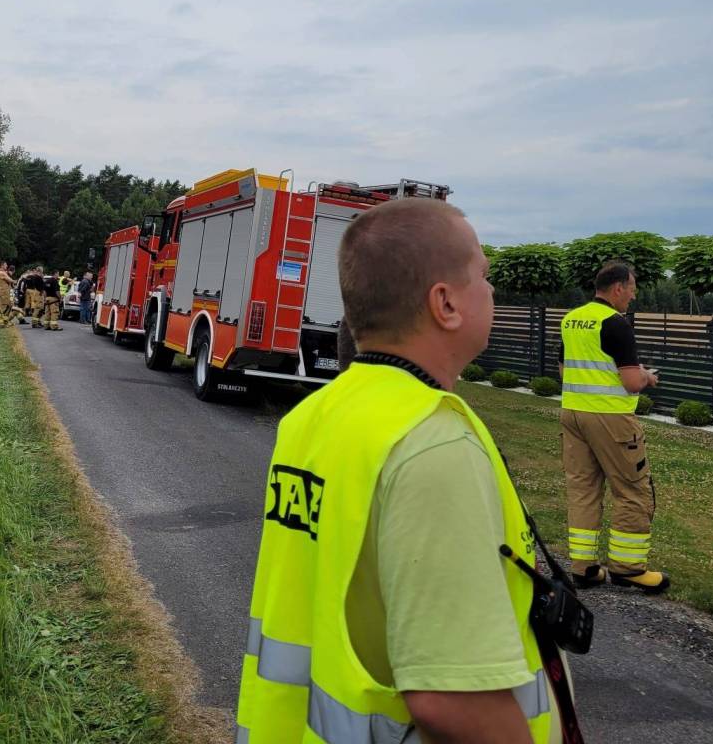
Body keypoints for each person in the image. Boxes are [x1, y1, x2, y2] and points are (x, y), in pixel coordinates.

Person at [237, 199, 577, 744]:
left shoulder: (312, 417)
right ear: (445, 303)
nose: (492, 290)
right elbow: (451, 701)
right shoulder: (431, 443)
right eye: (483, 275)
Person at [558, 261, 669, 594]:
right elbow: (632, 383)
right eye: (632, 289)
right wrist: (647, 377)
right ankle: (628, 568)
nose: (633, 296)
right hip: (611, 420)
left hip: (572, 414)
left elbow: (564, 371)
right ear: (618, 288)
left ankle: (584, 569)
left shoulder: (571, 320)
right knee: (633, 490)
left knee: (583, 490)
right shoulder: (616, 324)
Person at [0, 262, 15, 326]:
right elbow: (9, 280)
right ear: (2, 265)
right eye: (6, 265)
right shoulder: (0, 273)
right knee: (4, 307)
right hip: (3, 293)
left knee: (9, 306)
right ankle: (2, 323)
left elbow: (10, 279)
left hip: (6, 292)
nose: (7, 266)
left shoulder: (4, 272)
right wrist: (14, 281)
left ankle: (6, 321)